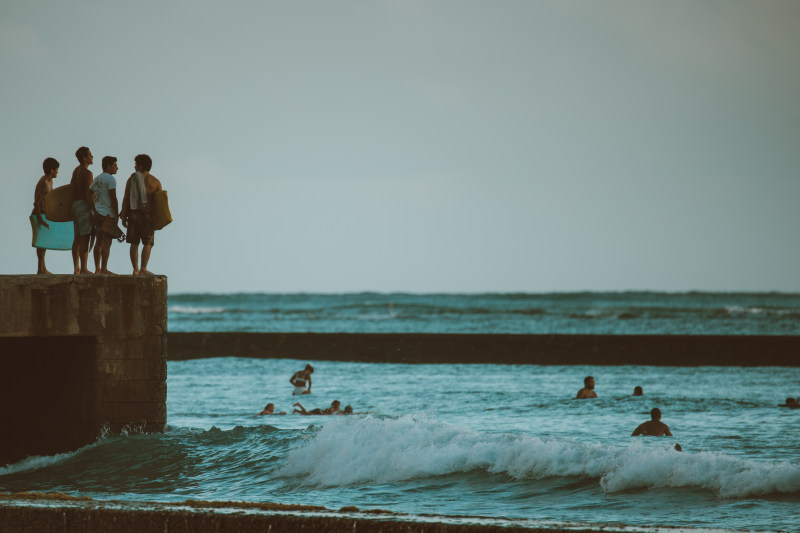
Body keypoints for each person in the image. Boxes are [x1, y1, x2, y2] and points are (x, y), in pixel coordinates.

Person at [120, 154, 162, 275]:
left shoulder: (132, 179)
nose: (134, 167)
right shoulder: (155, 182)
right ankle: (143, 268)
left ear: (141, 166)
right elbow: (160, 204)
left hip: (133, 214)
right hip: (148, 215)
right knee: (148, 243)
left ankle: (135, 270)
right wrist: (159, 220)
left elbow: (126, 198)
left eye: (136, 164)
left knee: (134, 243)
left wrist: (123, 215)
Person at [89, 156, 119, 274]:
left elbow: (89, 192)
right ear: (108, 166)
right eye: (115, 165)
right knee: (107, 242)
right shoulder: (111, 179)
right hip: (108, 215)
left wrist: (93, 207)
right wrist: (116, 215)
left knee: (98, 241)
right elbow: (113, 198)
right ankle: (104, 268)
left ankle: (97, 269)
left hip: (97, 213)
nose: (117, 167)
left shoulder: (96, 179)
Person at [31, 157, 59, 274]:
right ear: (51, 170)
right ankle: (40, 268)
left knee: (43, 243)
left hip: (44, 213)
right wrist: (41, 220)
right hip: (39, 214)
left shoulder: (50, 181)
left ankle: (42, 268)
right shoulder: (44, 183)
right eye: (56, 169)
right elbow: (37, 202)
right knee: (41, 243)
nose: (57, 172)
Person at [70, 146, 94, 275]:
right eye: (90, 155)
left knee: (77, 238)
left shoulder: (76, 171)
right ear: (84, 158)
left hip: (75, 205)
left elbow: (71, 187)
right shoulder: (87, 173)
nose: (92, 157)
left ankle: (76, 268)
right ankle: (84, 268)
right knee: (85, 237)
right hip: (83, 205)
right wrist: (93, 209)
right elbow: (88, 194)